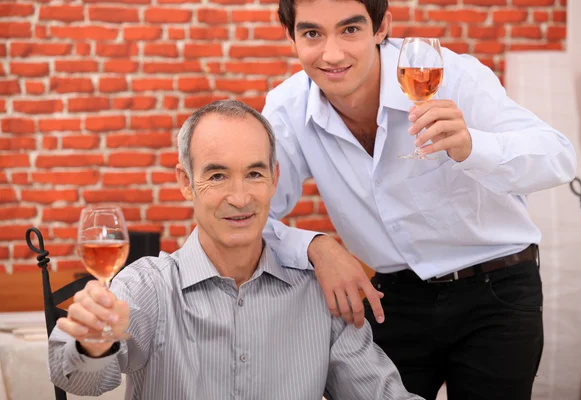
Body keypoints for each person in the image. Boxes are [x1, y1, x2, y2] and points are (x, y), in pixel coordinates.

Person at [261, 0, 577, 399]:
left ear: (381, 28)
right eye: (312, 34)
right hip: (392, 300)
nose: (332, 53)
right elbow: (253, 212)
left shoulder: (451, 74)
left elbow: (558, 157)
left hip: (495, 290)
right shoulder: (287, 109)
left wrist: (472, 146)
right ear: (291, 37)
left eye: (350, 30)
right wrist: (315, 246)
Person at [48, 100, 422, 400]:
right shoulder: (149, 287)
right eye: (217, 175)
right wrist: (92, 345)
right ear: (185, 182)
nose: (240, 197)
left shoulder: (319, 294)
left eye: (255, 174)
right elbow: (79, 379)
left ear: (275, 178)